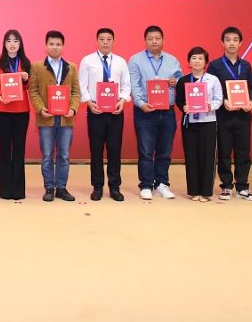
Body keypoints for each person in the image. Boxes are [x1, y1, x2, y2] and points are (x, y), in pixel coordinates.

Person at [128, 25, 183, 200]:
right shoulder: (136, 60)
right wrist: (141, 104)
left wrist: (176, 82)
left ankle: (162, 184)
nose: (154, 41)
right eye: (150, 38)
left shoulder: (172, 60)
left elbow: (181, 81)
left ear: (163, 40)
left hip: (167, 111)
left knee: (164, 151)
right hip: (145, 111)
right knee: (145, 151)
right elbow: (134, 85)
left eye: (157, 38)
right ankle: (146, 185)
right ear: (145, 40)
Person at [77, 27, 131, 202]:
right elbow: (81, 85)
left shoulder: (121, 62)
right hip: (95, 111)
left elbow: (126, 85)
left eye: (109, 39)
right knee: (96, 150)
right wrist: (88, 102)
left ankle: (114, 187)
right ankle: (97, 186)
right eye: (102, 39)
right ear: (97, 41)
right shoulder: (87, 61)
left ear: (113, 41)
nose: (105, 42)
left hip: (115, 111)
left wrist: (122, 100)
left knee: (115, 149)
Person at [207, 26, 252, 201]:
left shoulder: (246, 65)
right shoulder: (214, 65)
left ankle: (242, 186)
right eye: (228, 40)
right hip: (223, 115)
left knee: (243, 152)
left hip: (243, 115)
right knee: (224, 151)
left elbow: (250, 87)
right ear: (222, 43)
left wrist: (250, 101)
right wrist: (223, 101)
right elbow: (211, 88)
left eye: (235, 40)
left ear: (240, 43)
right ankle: (226, 186)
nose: (231, 43)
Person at [28, 31, 81, 202]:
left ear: (63, 47)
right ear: (46, 46)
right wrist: (40, 108)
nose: (55, 47)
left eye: (58, 44)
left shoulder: (71, 67)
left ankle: (62, 188)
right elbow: (33, 91)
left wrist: (73, 108)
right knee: (47, 155)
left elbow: (76, 92)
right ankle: (49, 187)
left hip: (66, 118)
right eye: (51, 44)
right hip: (46, 118)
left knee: (64, 155)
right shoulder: (37, 67)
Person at [0, 29, 31, 200]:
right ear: (4, 44)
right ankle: (5, 190)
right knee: (4, 149)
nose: (12, 44)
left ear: (20, 44)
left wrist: (26, 79)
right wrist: (0, 95)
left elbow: (30, 87)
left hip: (21, 111)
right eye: (9, 41)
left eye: (16, 41)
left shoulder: (25, 62)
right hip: (2, 111)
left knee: (19, 150)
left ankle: (18, 190)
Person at [175, 47, 223, 202]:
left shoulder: (213, 80)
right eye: (194, 58)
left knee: (208, 157)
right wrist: (183, 107)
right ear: (189, 61)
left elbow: (219, 99)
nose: (197, 61)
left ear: (206, 62)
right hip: (190, 124)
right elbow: (179, 100)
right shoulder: (183, 80)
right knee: (191, 157)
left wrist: (210, 106)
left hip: (208, 122)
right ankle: (194, 191)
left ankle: (206, 191)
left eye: (201, 58)